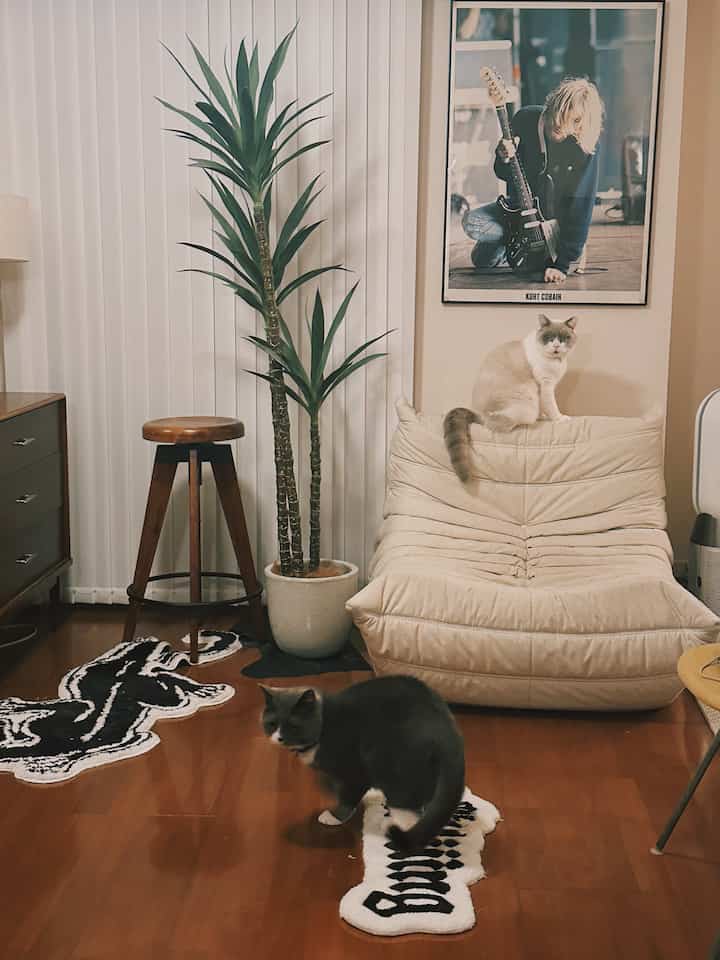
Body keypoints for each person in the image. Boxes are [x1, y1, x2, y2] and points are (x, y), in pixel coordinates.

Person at [462, 77, 604, 283]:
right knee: (472, 225)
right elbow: (502, 173)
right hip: (519, 213)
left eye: (573, 121)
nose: (560, 124)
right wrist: (503, 156)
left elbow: (581, 207)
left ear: (582, 123)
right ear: (552, 104)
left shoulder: (585, 145)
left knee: (484, 259)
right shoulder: (525, 119)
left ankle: (548, 247)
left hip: (555, 225)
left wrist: (563, 265)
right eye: (559, 114)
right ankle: (519, 241)